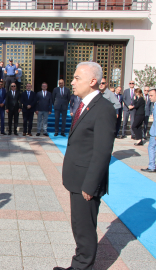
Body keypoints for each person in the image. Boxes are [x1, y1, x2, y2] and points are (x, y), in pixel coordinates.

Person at [56, 61, 116, 270]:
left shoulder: (104, 109)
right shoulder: (84, 104)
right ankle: (78, 264)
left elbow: (102, 152)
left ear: (92, 81)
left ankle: (82, 266)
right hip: (77, 178)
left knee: (84, 228)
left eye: (76, 78)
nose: (72, 82)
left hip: (86, 183)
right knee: (79, 226)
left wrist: (90, 186)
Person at [141, 89, 156, 173]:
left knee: (151, 147)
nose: (150, 97)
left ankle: (151, 166)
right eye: (149, 95)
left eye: (151, 95)